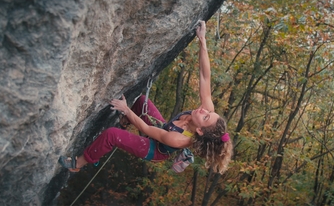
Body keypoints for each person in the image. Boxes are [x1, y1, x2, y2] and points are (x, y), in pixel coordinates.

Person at [59, 20, 233, 174]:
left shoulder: (179, 139)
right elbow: (205, 76)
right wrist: (202, 41)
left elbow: (147, 130)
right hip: (164, 128)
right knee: (141, 101)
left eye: (206, 116)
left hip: (154, 149)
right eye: (209, 112)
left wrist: (126, 109)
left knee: (111, 134)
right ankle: (121, 126)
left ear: (200, 131)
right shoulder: (206, 112)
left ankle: (79, 163)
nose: (205, 110)